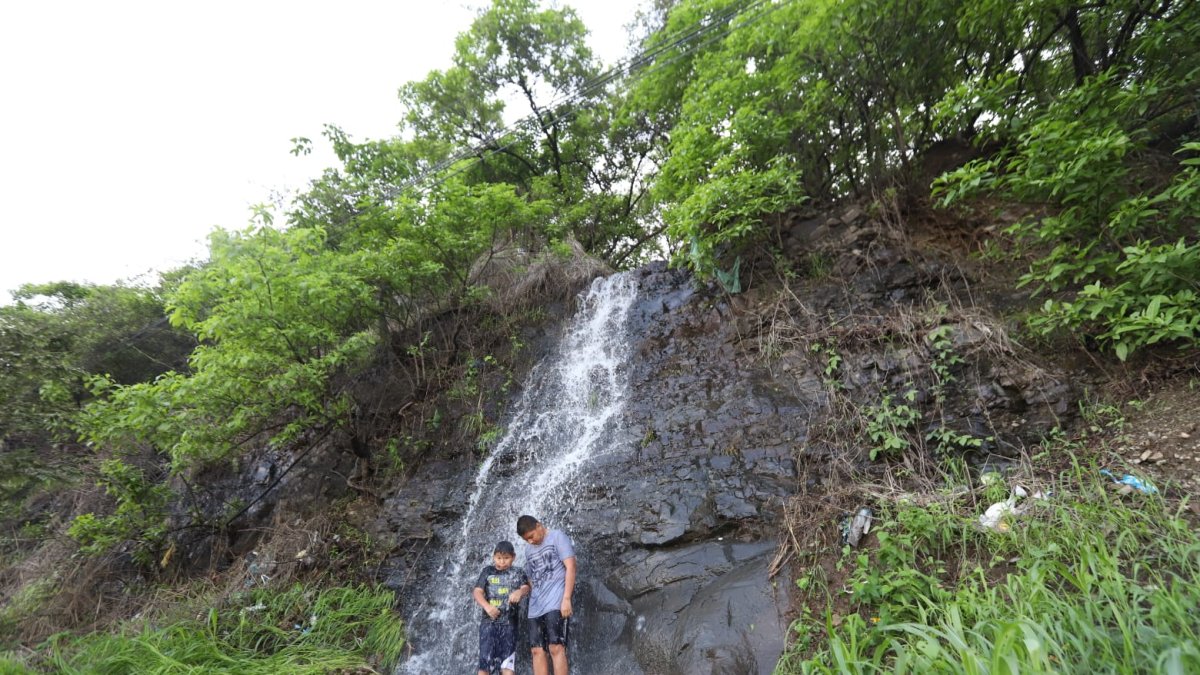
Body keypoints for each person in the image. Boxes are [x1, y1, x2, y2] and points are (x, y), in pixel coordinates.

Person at [516, 515, 576, 675]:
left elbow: (570, 567)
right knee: (536, 650)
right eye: (526, 539)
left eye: (531, 536)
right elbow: (530, 579)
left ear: (539, 525)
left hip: (556, 601)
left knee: (556, 647)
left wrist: (567, 599)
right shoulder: (528, 549)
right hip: (535, 606)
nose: (530, 541)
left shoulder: (557, 537)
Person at [473, 540, 531, 675]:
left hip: (509, 624)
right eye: (499, 558)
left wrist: (519, 592)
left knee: (508, 666)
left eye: (506, 558)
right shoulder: (487, 571)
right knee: (484, 664)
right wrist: (487, 607)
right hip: (488, 623)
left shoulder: (518, 572)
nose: (502, 562)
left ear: (513, 557)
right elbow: (477, 591)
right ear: (493, 557)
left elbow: (526, 587)